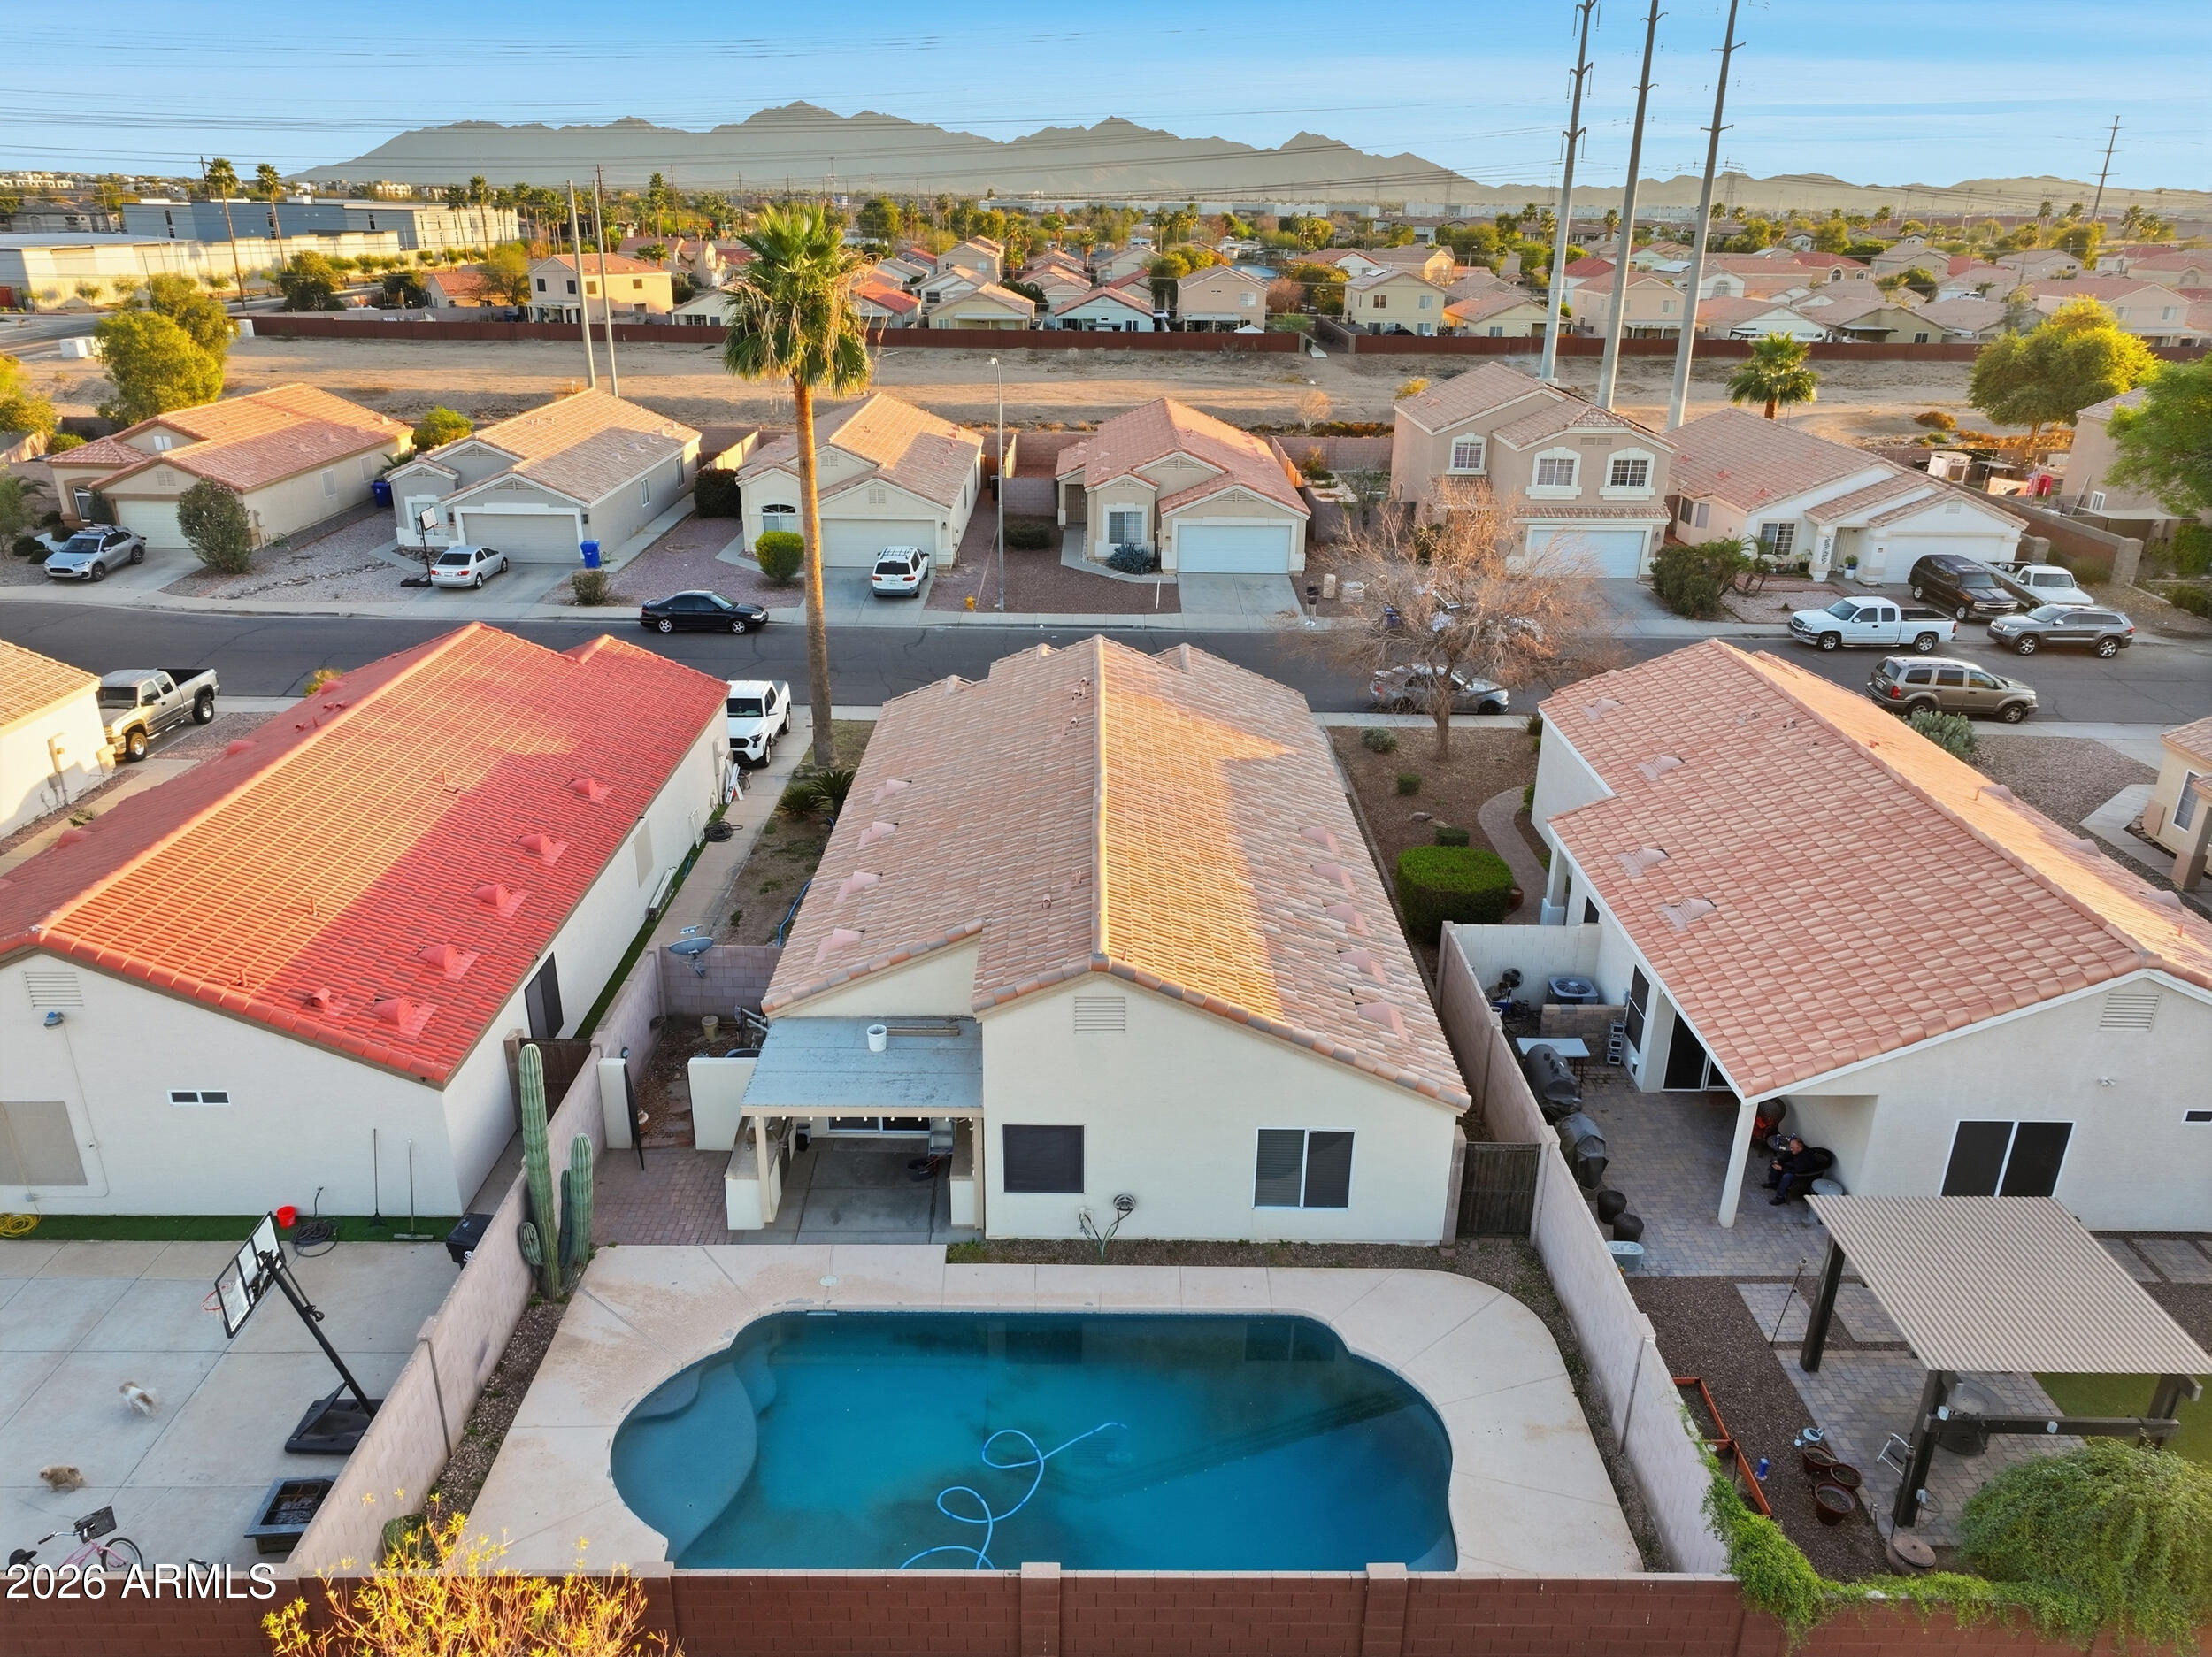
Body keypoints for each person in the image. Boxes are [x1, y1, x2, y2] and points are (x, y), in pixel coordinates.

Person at [1764, 1136, 1829, 1205]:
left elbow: (1798, 1170)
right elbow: (1785, 1157)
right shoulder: (1796, 1151)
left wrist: (1782, 1168)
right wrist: (1776, 1161)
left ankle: (1780, 1197)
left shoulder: (1805, 1157)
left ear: (1799, 1148)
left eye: (1792, 1148)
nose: (1791, 1149)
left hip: (1801, 1175)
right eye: (1791, 1147)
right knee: (1774, 1165)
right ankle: (1773, 1183)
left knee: (1787, 1176)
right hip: (1793, 1168)